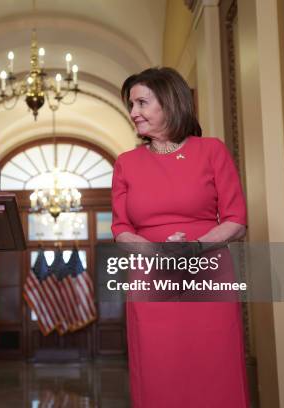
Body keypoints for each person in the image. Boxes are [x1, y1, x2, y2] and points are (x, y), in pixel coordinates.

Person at [111, 67, 250, 407]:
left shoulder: (211, 151)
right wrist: (156, 250)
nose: (133, 113)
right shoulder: (126, 163)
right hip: (151, 276)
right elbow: (120, 229)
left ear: (170, 103)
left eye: (142, 103)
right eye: (131, 105)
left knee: (215, 367)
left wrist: (195, 247)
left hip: (209, 273)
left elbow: (237, 220)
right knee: (158, 370)